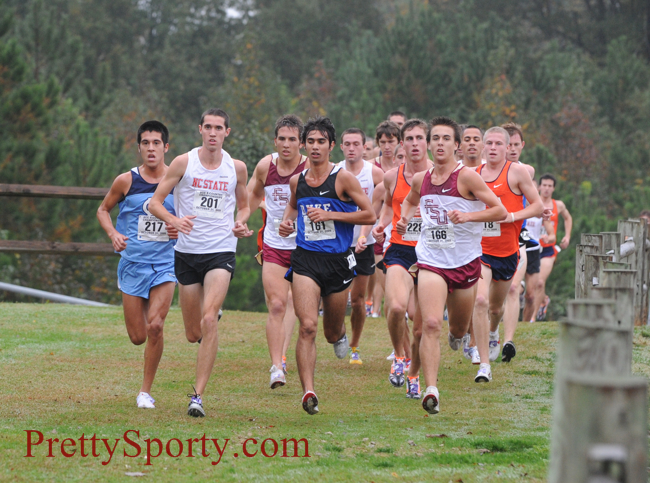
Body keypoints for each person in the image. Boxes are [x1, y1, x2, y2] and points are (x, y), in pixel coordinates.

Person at [396, 116, 506, 414]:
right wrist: (405, 217)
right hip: (431, 260)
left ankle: (457, 336)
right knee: (430, 323)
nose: (440, 143)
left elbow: (499, 209)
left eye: (447, 139)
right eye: (436, 139)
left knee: (458, 330)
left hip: (466, 263)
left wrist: (468, 216)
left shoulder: (467, 177)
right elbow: (409, 200)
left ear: (457, 146)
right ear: (430, 145)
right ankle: (431, 390)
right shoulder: (422, 179)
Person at [148, 108, 253, 417]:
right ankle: (209, 319)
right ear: (199, 129)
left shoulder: (237, 168)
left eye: (218, 128)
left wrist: (240, 222)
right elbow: (154, 202)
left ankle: (197, 396)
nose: (212, 133)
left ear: (226, 133)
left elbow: (245, 207)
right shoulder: (184, 163)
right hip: (187, 253)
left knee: (209, 321)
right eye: (207, 127)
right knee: (194, 333)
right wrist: (173, 220)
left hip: (221, 249)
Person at [278, 116, 376, 415]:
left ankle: (341, 335)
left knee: (330, 332)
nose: (316, 147)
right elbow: (294, 206)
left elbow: (369, 214)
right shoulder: (298, 180)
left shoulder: (343, 178)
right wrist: (286, 223)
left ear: (331, 146)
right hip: (306, 259)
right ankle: (308, 390)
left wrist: (332, 215)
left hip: (338, 262)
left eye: (322, 142)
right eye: (311, 142)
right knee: (307, 326)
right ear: (304, 146)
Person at [97, 120, 178, 410]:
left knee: (156, 326)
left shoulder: (177, 181)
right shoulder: (126, 181)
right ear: (140, 147)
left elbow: (190, 219)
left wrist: (178, 229)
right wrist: (113, 233)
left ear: (166, 147)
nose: (151, 148)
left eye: (157, 143)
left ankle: (145, 392)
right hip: (133, 265)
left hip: (166, 264)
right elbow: (103, 209)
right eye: (146, 143)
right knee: (137, 336)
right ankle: (143, 323)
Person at [472, 127, 544, 383]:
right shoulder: (474, 175)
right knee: (479, 301)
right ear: (483, 146)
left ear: (507, 147)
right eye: (488, 143)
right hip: (479, 251)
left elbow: (538, 205)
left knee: (495, 307)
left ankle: (493, 332)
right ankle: (483, 364)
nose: (492, 148)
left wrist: (512, 216)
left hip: (508, 252)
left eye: (498, 144)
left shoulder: (516, 172)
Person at [372, 119, 432, 397]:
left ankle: (415, 374)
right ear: (401, 143)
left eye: (420, 138)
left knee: (420, 327)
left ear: (428, 142)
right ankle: (399, 356)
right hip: (400, 249)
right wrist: (380, 226)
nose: (415, 144)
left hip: (433, 253)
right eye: (409, 139)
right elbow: (388, 207)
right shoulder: (392, 177)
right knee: (396, 308)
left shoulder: (441, 175)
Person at [247, 115, 308, 388]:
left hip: (306, 248)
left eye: (292, 139)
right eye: (281, 139)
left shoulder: (311, 168)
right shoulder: (265, 167)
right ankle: (276, 367)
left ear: (301, 143)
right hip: (273, 247)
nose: (286, 144)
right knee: (277, 304)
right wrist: (240, 219)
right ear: (275, 141)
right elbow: (249, 196)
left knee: (303, 309)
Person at [338, 128, 384, 364]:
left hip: (364, 244)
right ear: (341, 147)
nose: (352, 148)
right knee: (334, 297)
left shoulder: (374, 173)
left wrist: (379, 226)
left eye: (357, 144)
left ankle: (354, 344)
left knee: (357, 300)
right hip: (337, 243)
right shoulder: (334, 171)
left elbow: (389, 200)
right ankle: (339, 334)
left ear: (364, 147)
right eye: (348, 144)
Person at [533, 173, 572, 321]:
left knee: (540, 282)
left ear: (554, 188)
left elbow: (568, 217)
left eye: (550, 186)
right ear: (539, 187)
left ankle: (533, 317)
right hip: (532, 247)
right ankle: (543, 300)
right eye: (544, 185)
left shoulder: (558, 205)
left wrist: (567, 236)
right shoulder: (532, 203)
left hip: (549, 248)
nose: (547, 189)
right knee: (532, 285)